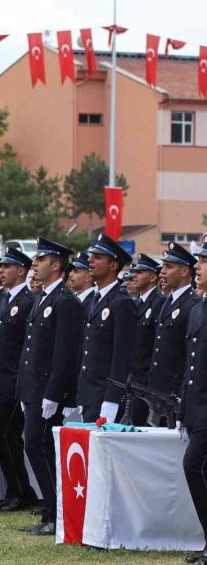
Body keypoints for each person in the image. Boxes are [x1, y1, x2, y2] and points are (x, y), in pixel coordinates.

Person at [17, 238, 83, 536]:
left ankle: (56, 513)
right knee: (34, 444)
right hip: (33, 389)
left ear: (56, 265)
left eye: (40, 260)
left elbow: (65, 353)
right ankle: (50, 512)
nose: (34, 263)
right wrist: (23, 390)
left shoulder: (65, 301)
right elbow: (30, 349)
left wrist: (55, 393)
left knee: (37, 444)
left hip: (48, 392)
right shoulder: (43, 298)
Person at [0, 247, 37, 512]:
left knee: (4, 433)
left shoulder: (28, 302)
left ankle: (22, 490)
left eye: (7, 267)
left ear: (21, 271)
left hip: (14, 382)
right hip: (1, 381)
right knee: (4, 436)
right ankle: (17, 489)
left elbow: (24, 349)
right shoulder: (5, 301)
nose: (1, 272)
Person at [75, 234, 135, 424]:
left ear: (113, 266)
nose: (90, 261)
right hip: (89, 395)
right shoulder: (96, 299)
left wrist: (112, 399)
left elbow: (121, 357)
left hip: (104, 396)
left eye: (98, 257)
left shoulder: (121, 302)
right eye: (91, 256)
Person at [179, 242, 207, 565]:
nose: (198, 266)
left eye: (203, 261)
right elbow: (190, 363)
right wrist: (183, 409)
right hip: (197, 407)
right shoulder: (198, 308)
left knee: (192, 466)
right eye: (198, 260)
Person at [150, 242, 197, 423]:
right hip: (158, 394)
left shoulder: (191, 305)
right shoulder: (169, 302)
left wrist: (182, 398)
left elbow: (189, 356)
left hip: (175, 394)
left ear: (184, 271)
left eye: (169, 267)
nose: (162, 272)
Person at [127, 254, 164, 426]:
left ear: (152, 277)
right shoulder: (136, 302)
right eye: (134, 271)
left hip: (147, 383)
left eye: (140, 272)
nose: (134, 275)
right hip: (133, 381)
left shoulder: (158, 303)